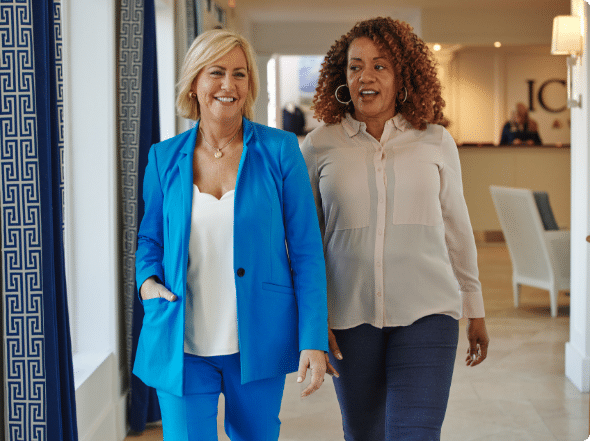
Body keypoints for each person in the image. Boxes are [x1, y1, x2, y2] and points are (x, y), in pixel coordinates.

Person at [133, 29, 330, 440]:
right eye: (216, 72)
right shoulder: (163, 158)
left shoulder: (280, 151)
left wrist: (313, 337)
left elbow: (307, 251)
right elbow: (150, 238)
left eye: (239, 74)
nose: (229, 85)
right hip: (181, 341)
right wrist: (148, 281)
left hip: (258, 338)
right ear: (194, 83)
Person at [301, 17, 489, 440]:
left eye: (380, 65)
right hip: (348, 317)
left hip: (428, 313)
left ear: (402, 75)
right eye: (355, 66)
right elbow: (305, 243)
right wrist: (313, 319)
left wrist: (474, 306)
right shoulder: (318, 145)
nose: (365, 76)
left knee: (415, 434)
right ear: (341, 76)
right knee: (364, 434)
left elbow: (458, 228)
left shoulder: (435, 141)